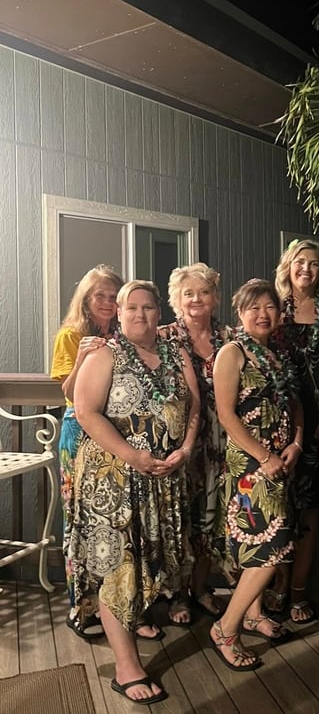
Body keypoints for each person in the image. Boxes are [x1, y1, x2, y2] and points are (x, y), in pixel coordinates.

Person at [69, 280, 200, 704]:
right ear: (119, 314)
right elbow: (86, 412)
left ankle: (135, 627)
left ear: (159, 312)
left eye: (148, 307)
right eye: (131, 308)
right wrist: (133, 455)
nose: (140, 314)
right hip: (113, 480)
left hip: (162, 478)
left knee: (145, 565)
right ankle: (126, 667)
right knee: (119, 566)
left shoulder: (176, 354)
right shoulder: (104, 354)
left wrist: (184, 450)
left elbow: (194, 408)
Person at [210, 279, 304, 668]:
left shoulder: (276, 356)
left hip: (280, 461)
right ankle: (226, 628)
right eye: (254, 307)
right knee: (268, 547)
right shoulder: (232, 353)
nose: (263, 314)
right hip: (252, 464)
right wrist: (264, 456)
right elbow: (226, 414)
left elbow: (296, 405)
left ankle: (253, 614)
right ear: (240, 313)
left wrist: (296, 442)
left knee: (266, 545)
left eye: (270, 307)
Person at [267, 238, 319, 624]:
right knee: (279, 507)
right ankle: (277, 584)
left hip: (318, 420)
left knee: (310, 508)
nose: (307, 270)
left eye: (315, 264)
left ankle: (299, 589)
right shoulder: (272, 307)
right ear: (288, 266)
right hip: (277, 419)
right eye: (301, 262)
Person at [50, 263, 123, 641]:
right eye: (100, 296)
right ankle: (80, 606)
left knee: (110, 519)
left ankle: (115, 603)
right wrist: (81, 357)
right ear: (86, 299)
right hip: (78, 432)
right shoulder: (70, 335)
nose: (107, 303)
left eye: (113, 296)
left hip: (114, 431)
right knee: (78, 520)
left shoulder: (123, 335)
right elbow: (67, 391)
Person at [158, 262, 235, 624]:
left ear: (215, 297)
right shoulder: (163, 338)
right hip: (179, 440)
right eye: (188, 293)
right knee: (180, 516)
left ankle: (201, 588)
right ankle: (177, 596)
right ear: (176, 298)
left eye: (204, 292)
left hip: (220, 441)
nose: (196, 299)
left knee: (210, 515)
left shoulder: (230, 337)